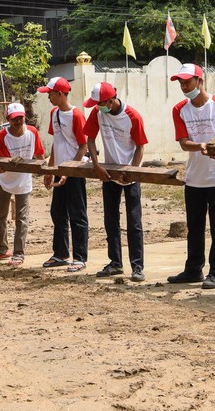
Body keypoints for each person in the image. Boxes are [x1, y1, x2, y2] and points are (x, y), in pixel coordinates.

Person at [167, 64, 215, 289]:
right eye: (180, 82)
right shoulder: (180, 109)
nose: (183, 86)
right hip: (195, 177)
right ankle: (193, 269)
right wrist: (203, 145)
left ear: (200, 80)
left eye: (187, 81)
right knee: (194, 226)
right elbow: (184, 143)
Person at [83, 82, 149, 282]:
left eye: (100, 103)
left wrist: (132, 172)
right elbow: (91, 139)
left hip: (129, 174)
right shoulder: (97, 113)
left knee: (134, 222)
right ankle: (115, 263)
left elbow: (140, 147)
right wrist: (96, 165)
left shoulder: (132, 117)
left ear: (111, 100)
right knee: (110, 220)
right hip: (108, 172)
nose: (97, 106)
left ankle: (137, 266)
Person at [38, 77, 88, 272]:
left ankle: (80, 257)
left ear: (59, 94)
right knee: (57, 212)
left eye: (50, 93)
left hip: (74, 171)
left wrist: (70, 169)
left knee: (77, 214)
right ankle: (60, 253)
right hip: (60, 170)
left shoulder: (76, 115)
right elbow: (57, 143)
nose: (48, 97)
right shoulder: (54, 113)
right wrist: (51, 169)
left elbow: (83, 145)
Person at [0, 102, 45, 266]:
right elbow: (7, 163)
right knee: (0, 215)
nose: (18, 122)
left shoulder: (32, 133)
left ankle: (19, 253)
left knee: (22, 218)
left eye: (21, 118)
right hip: (5, 181)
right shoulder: (1, 136)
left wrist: (43, 170)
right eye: (15, 119)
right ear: (8, 119)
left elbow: (40, 154)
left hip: (23, 182)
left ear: (24, 117)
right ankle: (1, 248)